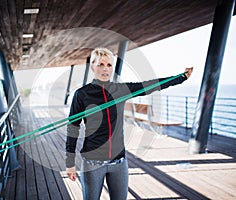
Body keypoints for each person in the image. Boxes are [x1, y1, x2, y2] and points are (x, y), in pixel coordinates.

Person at [65, 47, 193, 200]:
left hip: (119, 162)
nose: (105, 69)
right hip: (93, 163)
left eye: (109, 65)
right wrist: (70, 162)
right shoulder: (82, 94)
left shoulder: (121, 90)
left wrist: (181, 77)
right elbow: (73, 127)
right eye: (100, 64)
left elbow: (151, 85)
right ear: (93, 66)